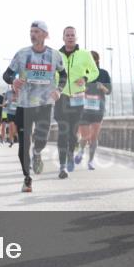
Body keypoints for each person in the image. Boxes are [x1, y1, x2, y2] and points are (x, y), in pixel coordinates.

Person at [4, 21, 66, 193]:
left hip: (45, 104)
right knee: (24, 143)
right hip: (24, 105)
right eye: (31, 31)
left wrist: (59, 90)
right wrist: (12, 80)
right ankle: (27, 178)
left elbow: (63, 75)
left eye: (37, 31)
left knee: (41, 139)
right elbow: (7, 74)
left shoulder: (54, 55)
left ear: (45, 35)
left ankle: (37, 153)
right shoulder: (22, 54)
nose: (33, 34)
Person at [53, 26, 99, 178]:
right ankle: (62, 166)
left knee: (73, 132)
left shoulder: (85, 54)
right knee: (62, 131)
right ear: (63, 37)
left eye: (73, 35)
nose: (70, 37)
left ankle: (70, 154)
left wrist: (85, 78)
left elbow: (95, 72)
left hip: (78, 97)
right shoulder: (56, 54)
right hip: (61, 96)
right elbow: (50, 73)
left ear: (76, 38)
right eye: (67, 35)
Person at [76, 50, 111, 170]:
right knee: (85, 136)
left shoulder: (103, 73)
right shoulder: (82, 73)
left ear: (97, 61)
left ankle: (90, 161)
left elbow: (109, 91)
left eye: (92, 59)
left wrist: (102, 87)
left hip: (98, 109)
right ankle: (81, 151)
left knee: (93, 137)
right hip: (84, 109)